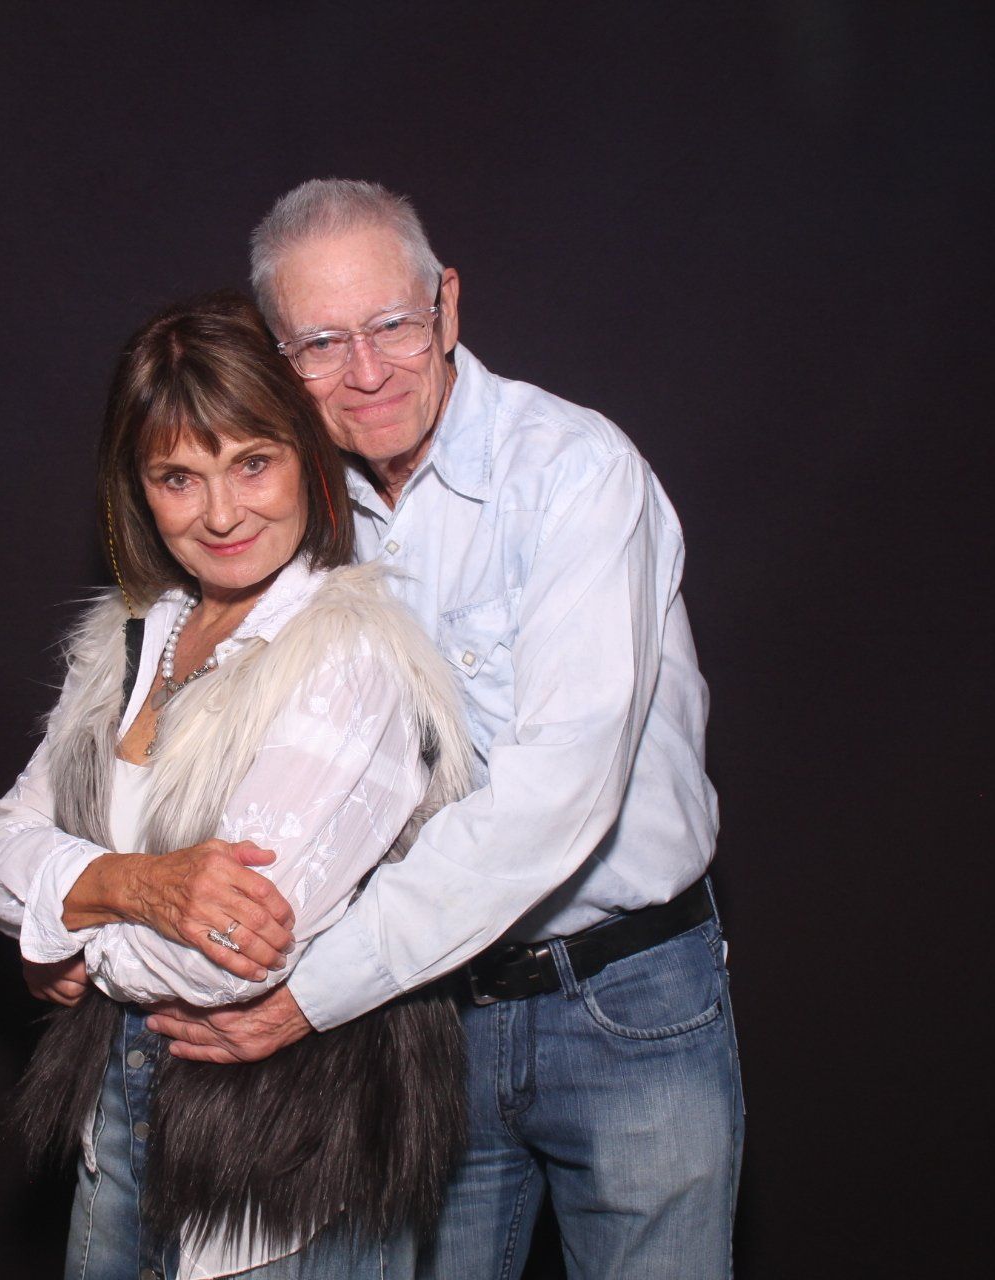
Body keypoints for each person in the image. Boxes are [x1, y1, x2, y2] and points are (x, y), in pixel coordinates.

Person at [145, 180, 743, 1279]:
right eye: (321, 344)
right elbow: (196, 731)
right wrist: (85, 910)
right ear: (276, 355)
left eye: (393, 325)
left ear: (449, 306)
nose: (367, 372)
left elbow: (558, 796)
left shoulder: (573, 473)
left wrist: (307, 995)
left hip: (622, 999)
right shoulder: (290, 511)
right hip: (420, 1017)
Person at [0, 291, 476, 1280]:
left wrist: (56, 921)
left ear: (307, 456)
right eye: (178, 477)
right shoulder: (130, 638)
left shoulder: (348, 653)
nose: (222, 512)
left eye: (252, 462)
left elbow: (230, 961)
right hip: (113, 1127)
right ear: (137, 488)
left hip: (282, 1166)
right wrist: (128, 884)